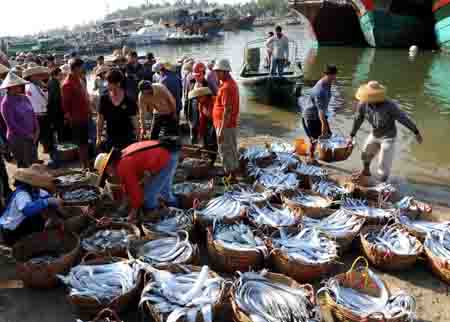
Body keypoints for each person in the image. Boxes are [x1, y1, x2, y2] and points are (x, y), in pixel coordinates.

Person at [349, 81, 423, 182]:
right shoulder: (363, 104)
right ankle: (366, 171)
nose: (367, 99)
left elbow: (403, 118)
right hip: (375, 133)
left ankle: (382, 182)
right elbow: (358, 119)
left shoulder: (389, 105)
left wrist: (416, 131)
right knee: (365, 153)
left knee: (383, 163)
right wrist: (352, 134)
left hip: (388, 137)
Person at [94, 140, 181, 223]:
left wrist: (133, 213)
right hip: (167, 152)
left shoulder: (123, 166)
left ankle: (158, 220)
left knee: (149, 196)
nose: (108, 174)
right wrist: (125, 204)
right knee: (164, 191)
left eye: (106, 172)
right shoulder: (121, 157)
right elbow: (127, 184)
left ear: (109, 165)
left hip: (167, 157)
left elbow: (135, 191)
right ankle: (176, 210)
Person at [0, 168, 63, 246]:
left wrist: (56, 204)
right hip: (11, 229)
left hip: (23, 223)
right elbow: (27, 210)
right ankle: (24, 242)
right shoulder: (21, 194)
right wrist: (47, 201)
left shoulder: (36, 190)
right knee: (37, 217)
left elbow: (47, 197)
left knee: (45, 209)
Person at [0, 72, 39, 168]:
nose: (21, 87)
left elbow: (32, 113)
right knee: (25, 167)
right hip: (18, 139)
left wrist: (37, 128)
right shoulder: (6, 103)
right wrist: (27, 134)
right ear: (11, 87)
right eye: (18, 86)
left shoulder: (24, 97)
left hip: (31, 136)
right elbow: (11, 124)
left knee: (34, 164)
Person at [301, 64, 338, 164]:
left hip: (319, 113)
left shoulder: (328, 83)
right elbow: (321, 113)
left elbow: (323, 109)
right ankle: (311, 158)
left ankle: (321, 155)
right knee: (314, 139)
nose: (334, 77)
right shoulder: (320, 90)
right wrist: (324, 126)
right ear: (326, 74)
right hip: (311, 116)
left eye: (334, 75)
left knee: (327, 135)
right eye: (331, 75)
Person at [97, 69, 137, 152]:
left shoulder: (129, 98)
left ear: (117, 83)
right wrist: (98, 137)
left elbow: (134, 119)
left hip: (127, 137)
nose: (106, 85)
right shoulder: (104, 98)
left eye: (109, 83)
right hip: (111, 137)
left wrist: (138, 135)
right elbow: (100, 119)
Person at [213, 59, 240, 179]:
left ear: (225, 72)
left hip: (225, 125)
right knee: (230, 148)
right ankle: (230, 171)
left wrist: (221, 130)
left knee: (226, 149)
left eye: (218, 71)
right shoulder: (227, 84)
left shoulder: (227, 87)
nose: (216, 74)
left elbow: (227, 111)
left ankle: (230, 174)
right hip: (227, 124)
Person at [62, 58, 90, 169]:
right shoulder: (67, 84)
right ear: (76, 68)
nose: (83, 69)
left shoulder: (78, 80)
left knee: (85, 142)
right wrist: (70, 118)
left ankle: (87, 163)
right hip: (77, 119)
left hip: (83, 116)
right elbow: (65, 106)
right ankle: (84, 165)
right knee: (81, 144)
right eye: (81, 67)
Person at [23, 65, 51, 154]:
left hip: (39, 113)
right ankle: (34, 156)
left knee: (41, 136)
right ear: (31, 77)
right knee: (39, 136)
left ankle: (36, 154)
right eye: (37, 75)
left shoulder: (34, 86)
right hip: (38, 114)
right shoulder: (31, 87)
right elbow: (43, 101)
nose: (39, 77)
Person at [188, 87, 218, 164]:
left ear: (205, 96)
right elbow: (202, 119)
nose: (197, 100)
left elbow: (219, 117)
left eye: (198, 98)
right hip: (208, 121)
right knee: (205, 141)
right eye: (196, 98)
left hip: (217, 121)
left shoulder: (215, 101)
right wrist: (200, 133)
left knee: (213, 142)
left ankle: (212, 159)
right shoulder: (201, 104)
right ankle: (207, 157)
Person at [186, 62, 209, 144]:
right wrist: (187, 113)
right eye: (195, 75)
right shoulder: (190, 82)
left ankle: (204, 146)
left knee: (204, 133)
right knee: (193, 130)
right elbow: (187, 98)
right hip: (192, 112)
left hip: (203, 114)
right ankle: (193, 143)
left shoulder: (207, 84)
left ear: (204, 74)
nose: (197, 77)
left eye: (199, 75)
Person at [47, 67, 65, 166]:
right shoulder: (54, 84)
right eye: (60, 74)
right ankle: (60, 156)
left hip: (53, 112)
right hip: (57, 112)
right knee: (59, 134)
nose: (61, 76)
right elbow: (56, 99)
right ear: (55, 74)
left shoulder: (51, 82)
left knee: (56, 134)